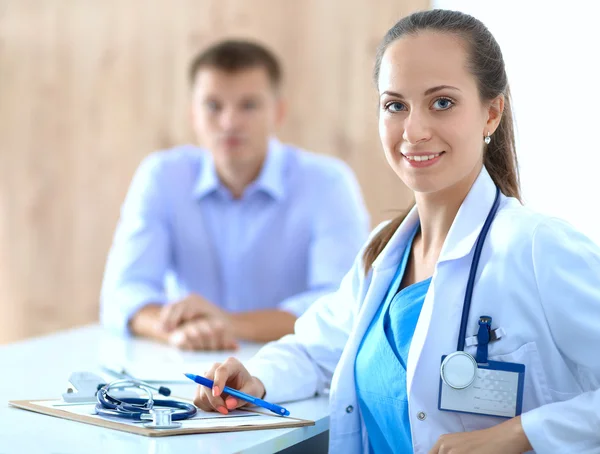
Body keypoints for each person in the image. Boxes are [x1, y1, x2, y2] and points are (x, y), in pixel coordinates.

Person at [192, 10, 600, 454]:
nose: (414, 131)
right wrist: (254, 378)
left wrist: (518, 434)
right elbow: (314, 350)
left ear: (491, 113)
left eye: (441, 102)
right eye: (395, 105)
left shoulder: (537, 248)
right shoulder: (384, 250)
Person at [100, 40, 370, 351]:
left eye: (249, 105)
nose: (229, 123)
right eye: (213, 106)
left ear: (278, 112)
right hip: (183, 366)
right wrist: (182, 332)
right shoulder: (161, 176)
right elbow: (124, 294)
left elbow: (341, 306)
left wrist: (230, 324)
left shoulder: (328, 183)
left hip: (290, 366)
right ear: (193, 114)